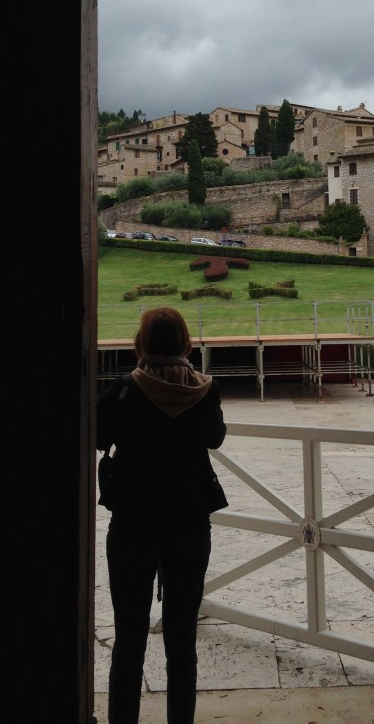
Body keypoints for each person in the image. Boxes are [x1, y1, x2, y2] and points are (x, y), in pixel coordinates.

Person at [97, 307, 227, 724]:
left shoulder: (123, 390)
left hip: (133, 521)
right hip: (189, 521)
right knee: (182, 641)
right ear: (185, 341)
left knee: (129, 638)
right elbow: (215, 438)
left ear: (142, 341)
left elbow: (98, 436)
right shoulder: (206, 389)